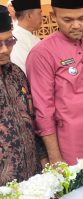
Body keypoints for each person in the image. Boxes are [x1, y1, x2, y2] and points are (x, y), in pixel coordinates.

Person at [26, 0, 83, 171]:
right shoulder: (42, 53)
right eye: (67, 20)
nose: (76, 25)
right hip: (70, 153)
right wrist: (55, 157)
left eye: (82, 18)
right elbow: (43, 111)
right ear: (53, 16)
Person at [0, 5, 46, 185]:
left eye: (9, 42)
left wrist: (42, 157)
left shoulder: (17, 73)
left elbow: (32, 117)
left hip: (32, 178)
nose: (5, 49)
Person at [10, 0, 42, 74]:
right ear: (29, 16)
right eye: (39, 13)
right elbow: (23, 71)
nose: (42, 17)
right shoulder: (15, 39)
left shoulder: (34, 38)